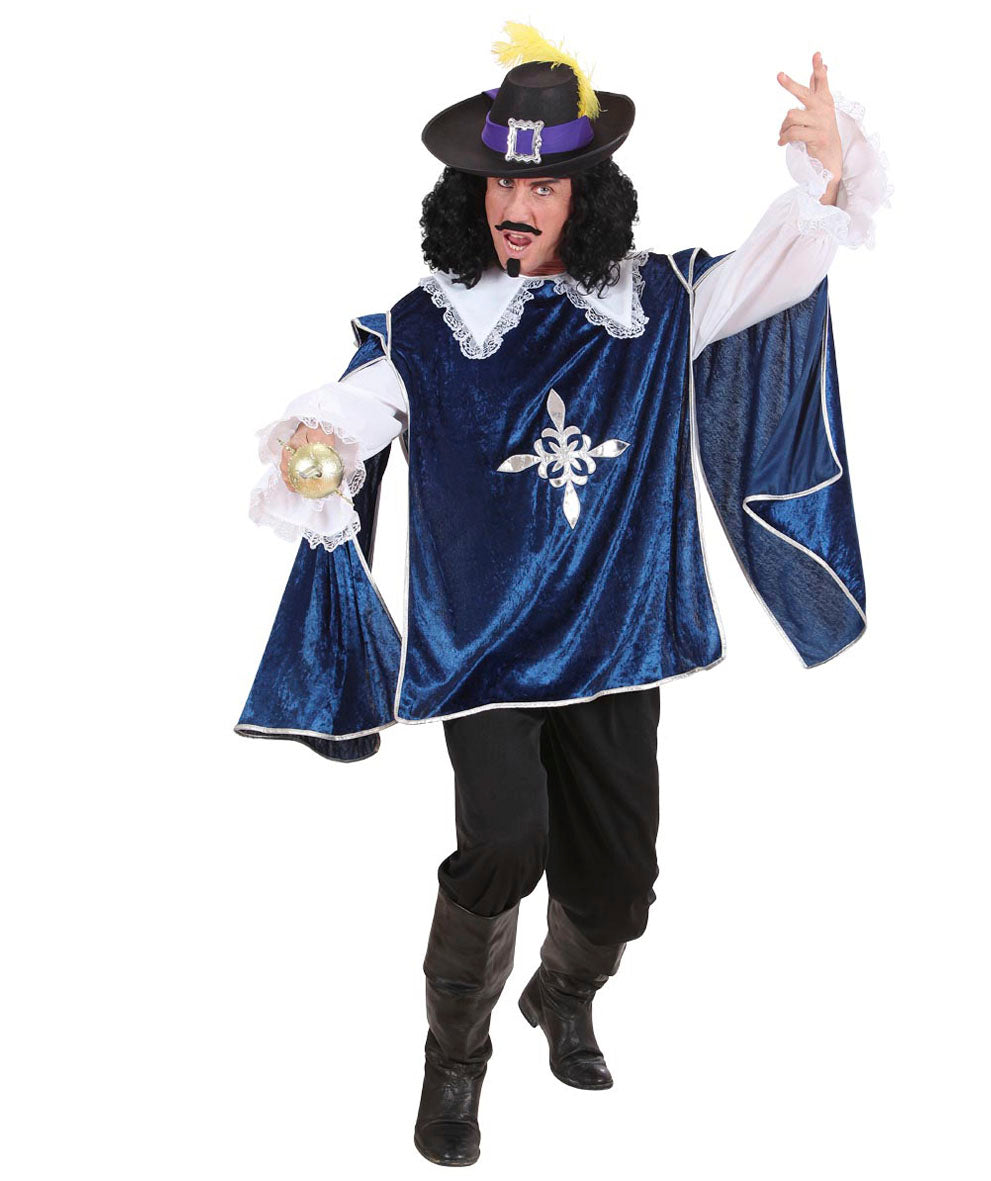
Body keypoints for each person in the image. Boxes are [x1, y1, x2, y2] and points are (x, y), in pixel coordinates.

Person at [236, 22, 891, 1167]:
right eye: (500, 182)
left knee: (621, 884)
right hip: (484, 651)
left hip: (617, 638)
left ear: (584, 196)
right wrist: (315, 446)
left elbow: (778, 267)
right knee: (502, 844)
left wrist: (828, 176)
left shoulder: (654, 305)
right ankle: (453, 1058)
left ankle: (562, 991)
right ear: (471, 192)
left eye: (540, 184)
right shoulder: (428, 328)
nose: (515, 204)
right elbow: (357, 405)